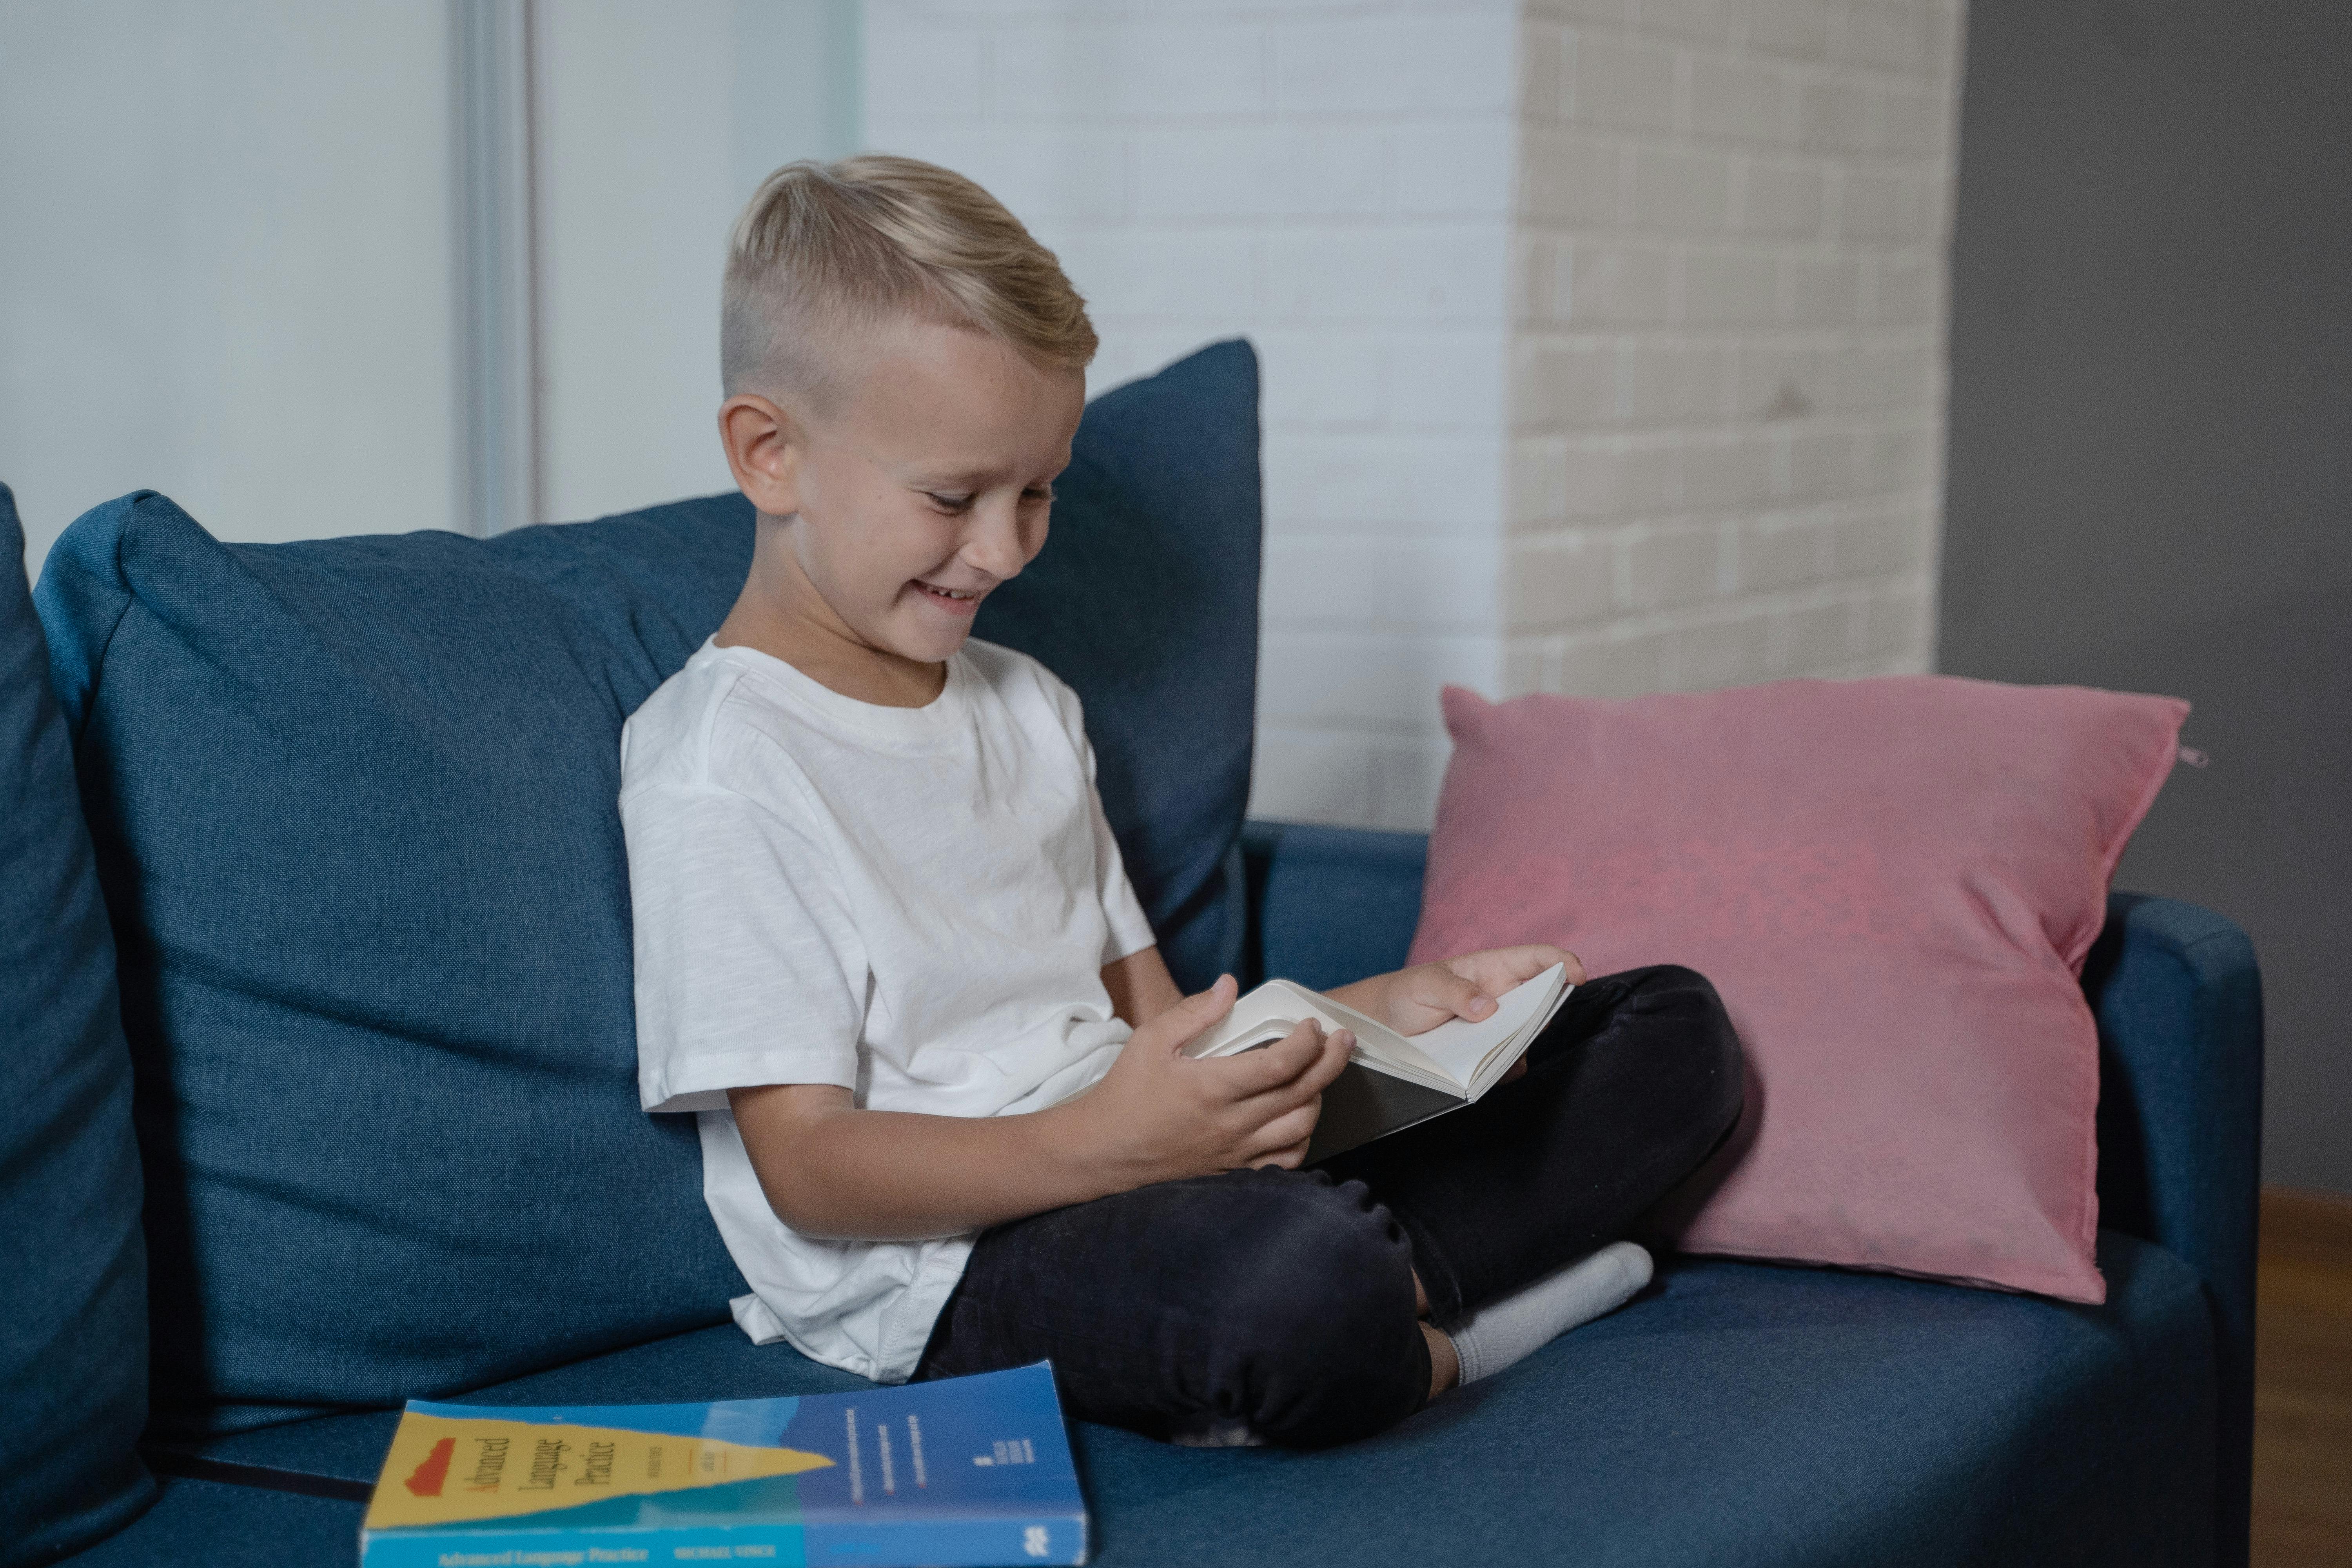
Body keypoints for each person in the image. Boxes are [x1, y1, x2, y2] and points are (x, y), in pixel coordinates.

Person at [621, 155, 1743, 1450]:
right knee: (1294, 1283)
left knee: (1673, 1031)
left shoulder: (1028, 703)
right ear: (771, 454)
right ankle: (1453, 1330)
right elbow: (808, 1170)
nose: (1003, 549)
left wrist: (1363, 1022)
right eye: (953, 497)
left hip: (1172, 1165)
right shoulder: (722, 763)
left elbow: (1158, 1027)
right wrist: (1109, 1145)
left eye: (1037, 491)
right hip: (949, 1265)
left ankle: (1385, 1307)